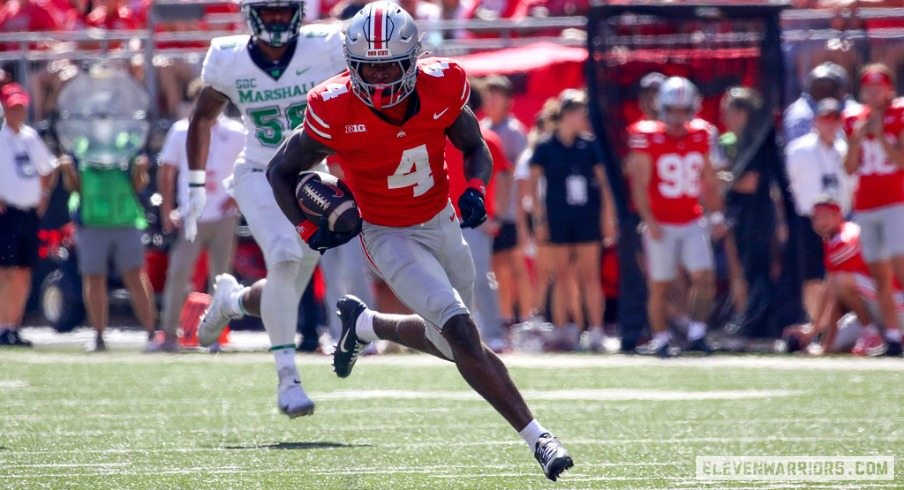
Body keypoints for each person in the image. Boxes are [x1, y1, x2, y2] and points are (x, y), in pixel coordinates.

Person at [266, 2, 573, 481]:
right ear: (352, 64)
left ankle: (367, 325)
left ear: (412, 60)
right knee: (462, 333)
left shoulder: (443, 84)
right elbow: (280, 170)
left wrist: (475, 188)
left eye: (390, 64)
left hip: (441, 220)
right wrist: (309, 229)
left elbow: (474, 147)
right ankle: (540, 438)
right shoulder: (332, 105)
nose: (381, 76)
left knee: (451, 342)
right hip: (387, 233)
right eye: (370, 66)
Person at [185, 0, 346, 417]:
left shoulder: (323, 47)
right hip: (259, 170)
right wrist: (195, 184)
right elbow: (201, 118)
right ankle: (288, 378)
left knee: (286, 289)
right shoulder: (229, 57)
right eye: (268, 11)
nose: (276, 18)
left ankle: (232, 301)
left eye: (283, 10)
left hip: (311, 176)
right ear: (251, 13)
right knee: (283, 257)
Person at [628, 77, 724, 357]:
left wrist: (716, 215)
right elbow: (639, 185)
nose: (677, 117)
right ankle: (661, 339)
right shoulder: (647, 136)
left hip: (692, 218)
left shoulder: (701, 134)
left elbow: (709, 180)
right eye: (672, 110)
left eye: (683, 110)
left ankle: (697, 333)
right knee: (660, 284)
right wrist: (650, 220)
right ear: (662, 109)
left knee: (704, 276)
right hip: (661, 221)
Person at [154, 79, 246, 352]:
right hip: (191, 214)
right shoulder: (181, 131)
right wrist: (167, 209)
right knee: (179, 271)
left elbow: (251, 165)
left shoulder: (237, 132)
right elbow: (167, 172)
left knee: (222, 277)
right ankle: (169, 333)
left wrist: (237, 195)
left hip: (224, 214)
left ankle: (219, 335)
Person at [529, 88, 616, 352]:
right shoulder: (545, 146)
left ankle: (596, 330)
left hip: (586, 216)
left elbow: (603, 184)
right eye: (580, 112)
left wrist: (607, 217)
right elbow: (533, 187)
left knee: (590, 275)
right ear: (567, 114)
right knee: (561, 275)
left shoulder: (590, 145)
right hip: (557, 217)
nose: (584, 117)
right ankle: (564, 328)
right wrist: (539, 220)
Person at [59, 151, 157, 353]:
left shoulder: (125, 144)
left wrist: (140, 169)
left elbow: (138, 185)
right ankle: (98, 336)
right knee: (94, 278)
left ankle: (152, 333)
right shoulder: (81, 147)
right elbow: (74, 188)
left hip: (126, 220)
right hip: (91, 221)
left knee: (136, 277)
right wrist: (67, 170)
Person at [842, 63, 904, 355]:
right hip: (866, 205)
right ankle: (892, 336)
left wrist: (879, 135)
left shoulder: (900, 114)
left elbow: (901, 162)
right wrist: (857, 138)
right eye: (868, 87)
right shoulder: (854, 118)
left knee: (901, 268)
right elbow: (849, 167)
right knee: (880, 274)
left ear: (890, 89)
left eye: (879, 86)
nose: (874, 92)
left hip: (896, 201)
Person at [796, 197, 902, 356]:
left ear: (839, 216)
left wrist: (813, 329)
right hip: (874, 306)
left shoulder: (846, 238)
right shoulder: (832, 239)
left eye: (826, 216)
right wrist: (825, 345)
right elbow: (834, 295)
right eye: (816, 218)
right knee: (836, 346)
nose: (820, 222)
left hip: (894, 307)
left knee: (841, 282)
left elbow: (833, 289)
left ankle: (872, 333)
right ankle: (871, 334)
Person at [785, 97, 854, 325]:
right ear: (815, 121)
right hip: (810, 220)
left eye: (834, 120)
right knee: (812, 276)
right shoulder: (798, 150)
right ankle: (817, 325)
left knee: (839, 275)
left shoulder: (846, 150)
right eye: (825, 119)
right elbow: (794, 185)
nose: (830, 125)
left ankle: (837, 326)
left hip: (841, 221)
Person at [0, 83, 57, 347]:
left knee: (23, 272)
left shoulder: (30, 137)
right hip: (6, 213)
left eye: (21, 107)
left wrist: (43, 197)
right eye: (13, 107)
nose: (18, 112)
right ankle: (2, 326)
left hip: (28, 213)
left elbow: (48, 168)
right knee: (5, 272)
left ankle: (13, 325)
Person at [479, 75, 532, 328]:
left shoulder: (513, 131)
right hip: (490, 210)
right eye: (488, 95)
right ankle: (505, 317)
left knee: (515, 265)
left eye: (496, 95)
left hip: (510, 211)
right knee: (497, 266)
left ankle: (527, 318)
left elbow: (522, 172)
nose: (491, 100)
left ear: (508, 100)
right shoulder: (481, 127)